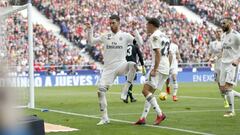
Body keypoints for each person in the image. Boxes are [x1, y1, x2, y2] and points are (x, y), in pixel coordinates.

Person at [86, 14, 143, 125]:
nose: (111, 25)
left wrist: (135, 30)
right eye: (110, 23)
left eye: (113, 23)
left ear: (118, 22)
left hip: (121, 65)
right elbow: (91, 41)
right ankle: (105, 118)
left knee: (133, 64)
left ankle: (126, 88)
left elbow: (140, 43)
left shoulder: (125, 36)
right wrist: (89, 30)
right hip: (108, 69)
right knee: (100, 92)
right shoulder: (105, 36)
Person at [135, 18, 171, 125]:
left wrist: (154, 69)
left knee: (145, 91)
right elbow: (167, 54)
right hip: (165, 67)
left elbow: (158, 53)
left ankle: (160, 114)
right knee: (150, 94)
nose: (146, 27)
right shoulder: (165, 36)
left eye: (147, 25)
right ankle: (143, 118)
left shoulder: (154, 36)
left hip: (158, 67)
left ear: (151, 25)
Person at [219, 18, 240, 117]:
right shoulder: (223, 35)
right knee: (223, 89)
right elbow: (223, 49)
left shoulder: (236, 35)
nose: (222, 25)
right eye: (221, 23)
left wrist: (238, 60)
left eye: (224, 23)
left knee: (228, 87)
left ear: (230, 24)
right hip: (223, 63)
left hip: (233, 64)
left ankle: (232, 111)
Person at [209, 28, 229, 108]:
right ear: (215, 33)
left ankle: (231, 96)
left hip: (226, 64)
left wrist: (216, 58)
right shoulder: (212, 43)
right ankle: (225, 100)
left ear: (222, 32)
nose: (218, 33)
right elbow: (212, 54)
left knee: (226, 84)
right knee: (220, 85)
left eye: (220, 31)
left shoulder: (225, 41)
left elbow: (223, 52)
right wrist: (211, 59)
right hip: (217, 66)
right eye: (217, 32)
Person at [123, 39, 145, 103]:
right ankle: (127, 97)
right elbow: (140, 56)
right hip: (132, 64)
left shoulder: (125, 47)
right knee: (131, 81)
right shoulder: (135, 46)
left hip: (125, 65)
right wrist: (142, 65)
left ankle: (130, 97)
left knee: (129, 81)